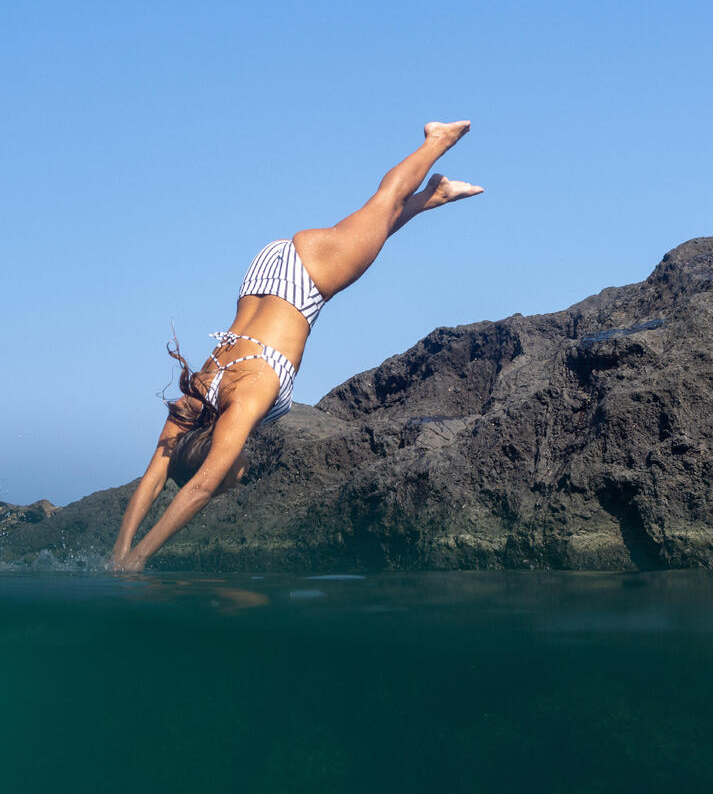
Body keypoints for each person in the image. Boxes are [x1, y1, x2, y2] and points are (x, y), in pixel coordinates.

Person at [110, 121, 483, 571]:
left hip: (304, 279)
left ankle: (435, 141)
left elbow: (200, 488)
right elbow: (155, 477)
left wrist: (138, 561)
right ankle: (432, 196)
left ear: (214, 454)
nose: (237, 477)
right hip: (261, 277)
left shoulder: (243, 404)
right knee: (372, 228)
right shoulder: (196, 403)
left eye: (230, 473)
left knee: (381, 204)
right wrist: (118, 554)